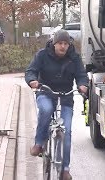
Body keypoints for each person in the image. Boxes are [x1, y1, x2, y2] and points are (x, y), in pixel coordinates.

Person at [25, 29, 89, 180]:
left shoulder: (74, 57)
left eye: (66, 44)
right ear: (54, 44)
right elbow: (31, 71)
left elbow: (81, 74)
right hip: (46, 92)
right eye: (60, 43)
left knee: (66, 131)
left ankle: (65, 169)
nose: (63, 46)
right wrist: (33, 81)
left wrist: (82, 85)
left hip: (66, 96)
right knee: (46, 110)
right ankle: (39, 143)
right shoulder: (42, 55)